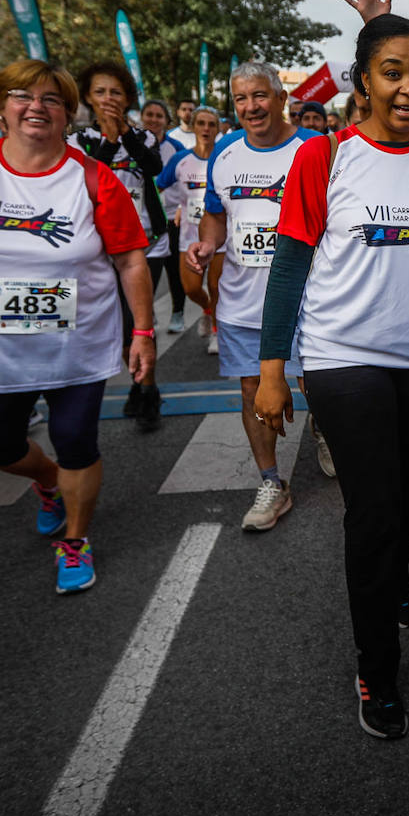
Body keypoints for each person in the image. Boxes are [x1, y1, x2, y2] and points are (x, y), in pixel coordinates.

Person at [255, 14, 409, 739]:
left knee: (405, 496)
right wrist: (273, 370)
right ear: (364, 79)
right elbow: (289, 267)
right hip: (345, 359)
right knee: (372, 514)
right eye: (394, 72)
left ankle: (396, 579)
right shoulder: (324, 157)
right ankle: (378, 667)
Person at [0, 59, 157, 594]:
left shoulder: (92, 177)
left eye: (52, 100)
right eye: (22, 96)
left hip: (77, 342)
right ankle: (46, 481)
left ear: (68, 115)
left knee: (75, 441)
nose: (36, 107)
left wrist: (142, 332)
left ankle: (75, 539)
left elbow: (131, 259)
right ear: (0, 109)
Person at [184, 66, 324, 532]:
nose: (251, 107)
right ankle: (271, 482)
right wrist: (208, 244)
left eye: (260, 96)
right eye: (241, 99)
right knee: (252, 391)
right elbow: (215, 217)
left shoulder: (314, 150)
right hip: (244, 300)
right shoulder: (223, 154)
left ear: (281, 97)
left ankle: (324, 430)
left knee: (317, 387)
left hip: (312, 298)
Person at [72, 62, 167, 432]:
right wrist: (109, 140)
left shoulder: (143, 137)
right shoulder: (77, 142)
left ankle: (146, 390)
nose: (109, 99)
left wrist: (123, 132)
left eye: (116, 92)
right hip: (97, 246)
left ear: (127, 97)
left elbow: (152, 166)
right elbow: (90, 174)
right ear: (87, 98)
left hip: (144, 242)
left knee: (137, 322)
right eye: (100, 92)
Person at [158, 107, 224, 354]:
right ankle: (207, 310)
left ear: (218, 129)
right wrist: (171, 210)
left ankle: (216, 333)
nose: (206, 129)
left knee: (217, 287)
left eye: (211, 124)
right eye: (201, 124)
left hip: (219, 236)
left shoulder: (225, 157)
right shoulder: (180, 159)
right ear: (194, 127)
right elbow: (159, 188)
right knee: (191, 289)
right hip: (188, 236)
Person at [140, 98, 188, 335]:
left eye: (159, 116)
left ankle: (178, 312)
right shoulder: (131, 145)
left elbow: (184, 181)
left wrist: (182, 207)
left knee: (175, 270)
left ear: (167, 121)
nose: (153, 120)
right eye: (149, 114)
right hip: (146, 220)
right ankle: (147, 313)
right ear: (142, 117)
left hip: (173, 217)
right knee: (147, 272)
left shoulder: (176, 148)